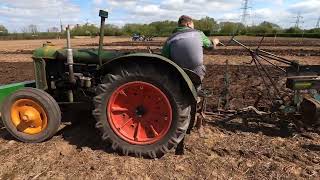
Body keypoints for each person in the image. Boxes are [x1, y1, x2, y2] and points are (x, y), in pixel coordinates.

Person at [162, 15, 220, 82]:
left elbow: (164, 57)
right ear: (188, 24)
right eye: (193, 24)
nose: (193, 27)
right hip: (196, 71)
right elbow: (210, 46)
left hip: (177, 72)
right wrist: (215, 41)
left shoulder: (170, 39)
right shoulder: (198, 33)